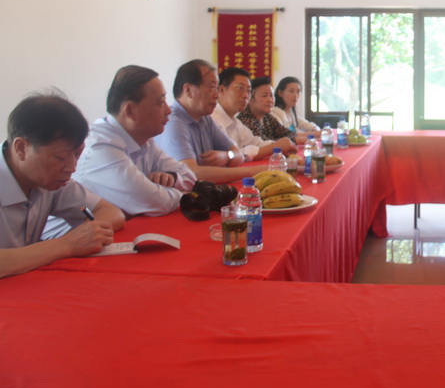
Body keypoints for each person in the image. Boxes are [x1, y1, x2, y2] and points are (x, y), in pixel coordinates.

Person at [0, 94, 125, 278]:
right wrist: (68, 244)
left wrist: (89, 233)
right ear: (21, 148)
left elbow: (112, 212)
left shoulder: (49, 180)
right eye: (60, 157)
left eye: (77, 154)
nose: (72, 168)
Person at [71, 65, 197, 218]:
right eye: (160, 102)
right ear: (130, 110)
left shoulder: (145, 140)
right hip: (76, 232)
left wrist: (173, 177)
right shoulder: (101, 149)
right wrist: (184, 195)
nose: (168, 110)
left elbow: (190, 177)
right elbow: (155, 202)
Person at [154, 59, 267, 184]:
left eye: (216, 88)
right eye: (211, 87)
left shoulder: (204, 118)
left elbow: (238, 155)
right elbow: (190, 174)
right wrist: (253, 171)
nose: (216, 95)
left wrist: (227, 156)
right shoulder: (172, 123)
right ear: (188, 90)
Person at [212, 68, 296, 159]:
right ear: (221, 90)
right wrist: (275, 147)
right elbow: (229, 156)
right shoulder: (213, 120)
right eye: (240, 88)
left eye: (248, 91)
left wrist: (278, 145)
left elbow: (256, 142)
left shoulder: (235, 122)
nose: (245, 95)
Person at [237, 76, 300, 144]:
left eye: (271, 95)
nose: (270, 100)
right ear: (250, 99)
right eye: (264, 96)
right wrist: (283, 142)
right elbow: (264, 144)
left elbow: (287, 133)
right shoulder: (247, 120)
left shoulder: (267, 117)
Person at [271, 76, 320, 141]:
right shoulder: (274, 113)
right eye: (291, 91)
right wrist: (315, 134)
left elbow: (309, 125)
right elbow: (287, 136)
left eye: (298, 91)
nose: (296, 95)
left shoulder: (291, 113)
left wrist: (316, 130)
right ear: (280, 93)